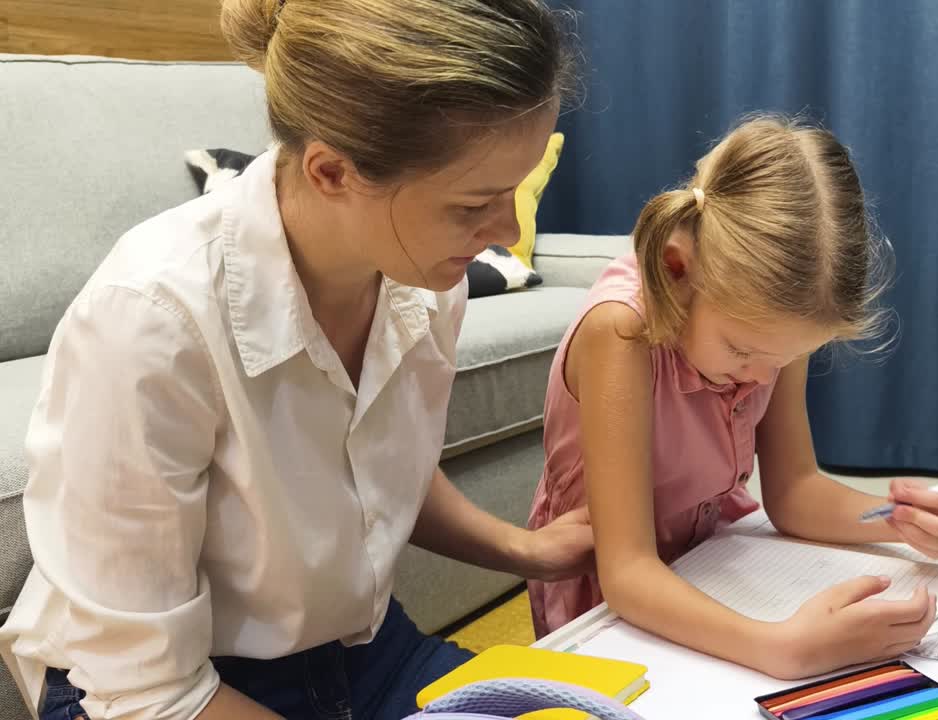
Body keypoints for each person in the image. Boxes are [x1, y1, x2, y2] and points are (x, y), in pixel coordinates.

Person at [0, 1, 593, 718]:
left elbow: (374, 460)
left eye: (513, 191)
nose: (507, 230)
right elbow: (147, 690)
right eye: (473, 205)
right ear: (332, 172)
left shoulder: (422, 282)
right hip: (158, 690)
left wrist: (525, 550)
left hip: (359, 652)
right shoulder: (151, 319)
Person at [527, 116, 938, 680]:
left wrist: (902, 520)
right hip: (609, 605)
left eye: (784, 358)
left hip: (708, 564)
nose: (763, 377)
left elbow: (794, 492)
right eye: (742, 351)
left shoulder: (773, 329)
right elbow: (627, 572)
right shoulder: (621, 332)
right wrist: (783, 649)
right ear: (676, 269)